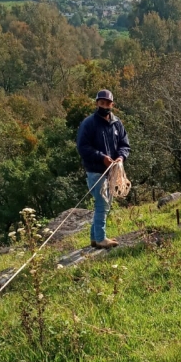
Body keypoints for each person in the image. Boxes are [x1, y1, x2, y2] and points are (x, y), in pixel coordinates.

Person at [76, 89, 131, 248]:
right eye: (101, 102)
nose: (104, 105)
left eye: (107, 103)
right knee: (103, 204)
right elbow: (83, 147)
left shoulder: (117, 123)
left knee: (105, 204)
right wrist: (102, 158)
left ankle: (95, 238)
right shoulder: (89, 123)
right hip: (96, 172)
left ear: (112, 104)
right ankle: (101, 239)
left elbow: (124, 145)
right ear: (97, 103)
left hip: (113, 171)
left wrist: (121, 157)